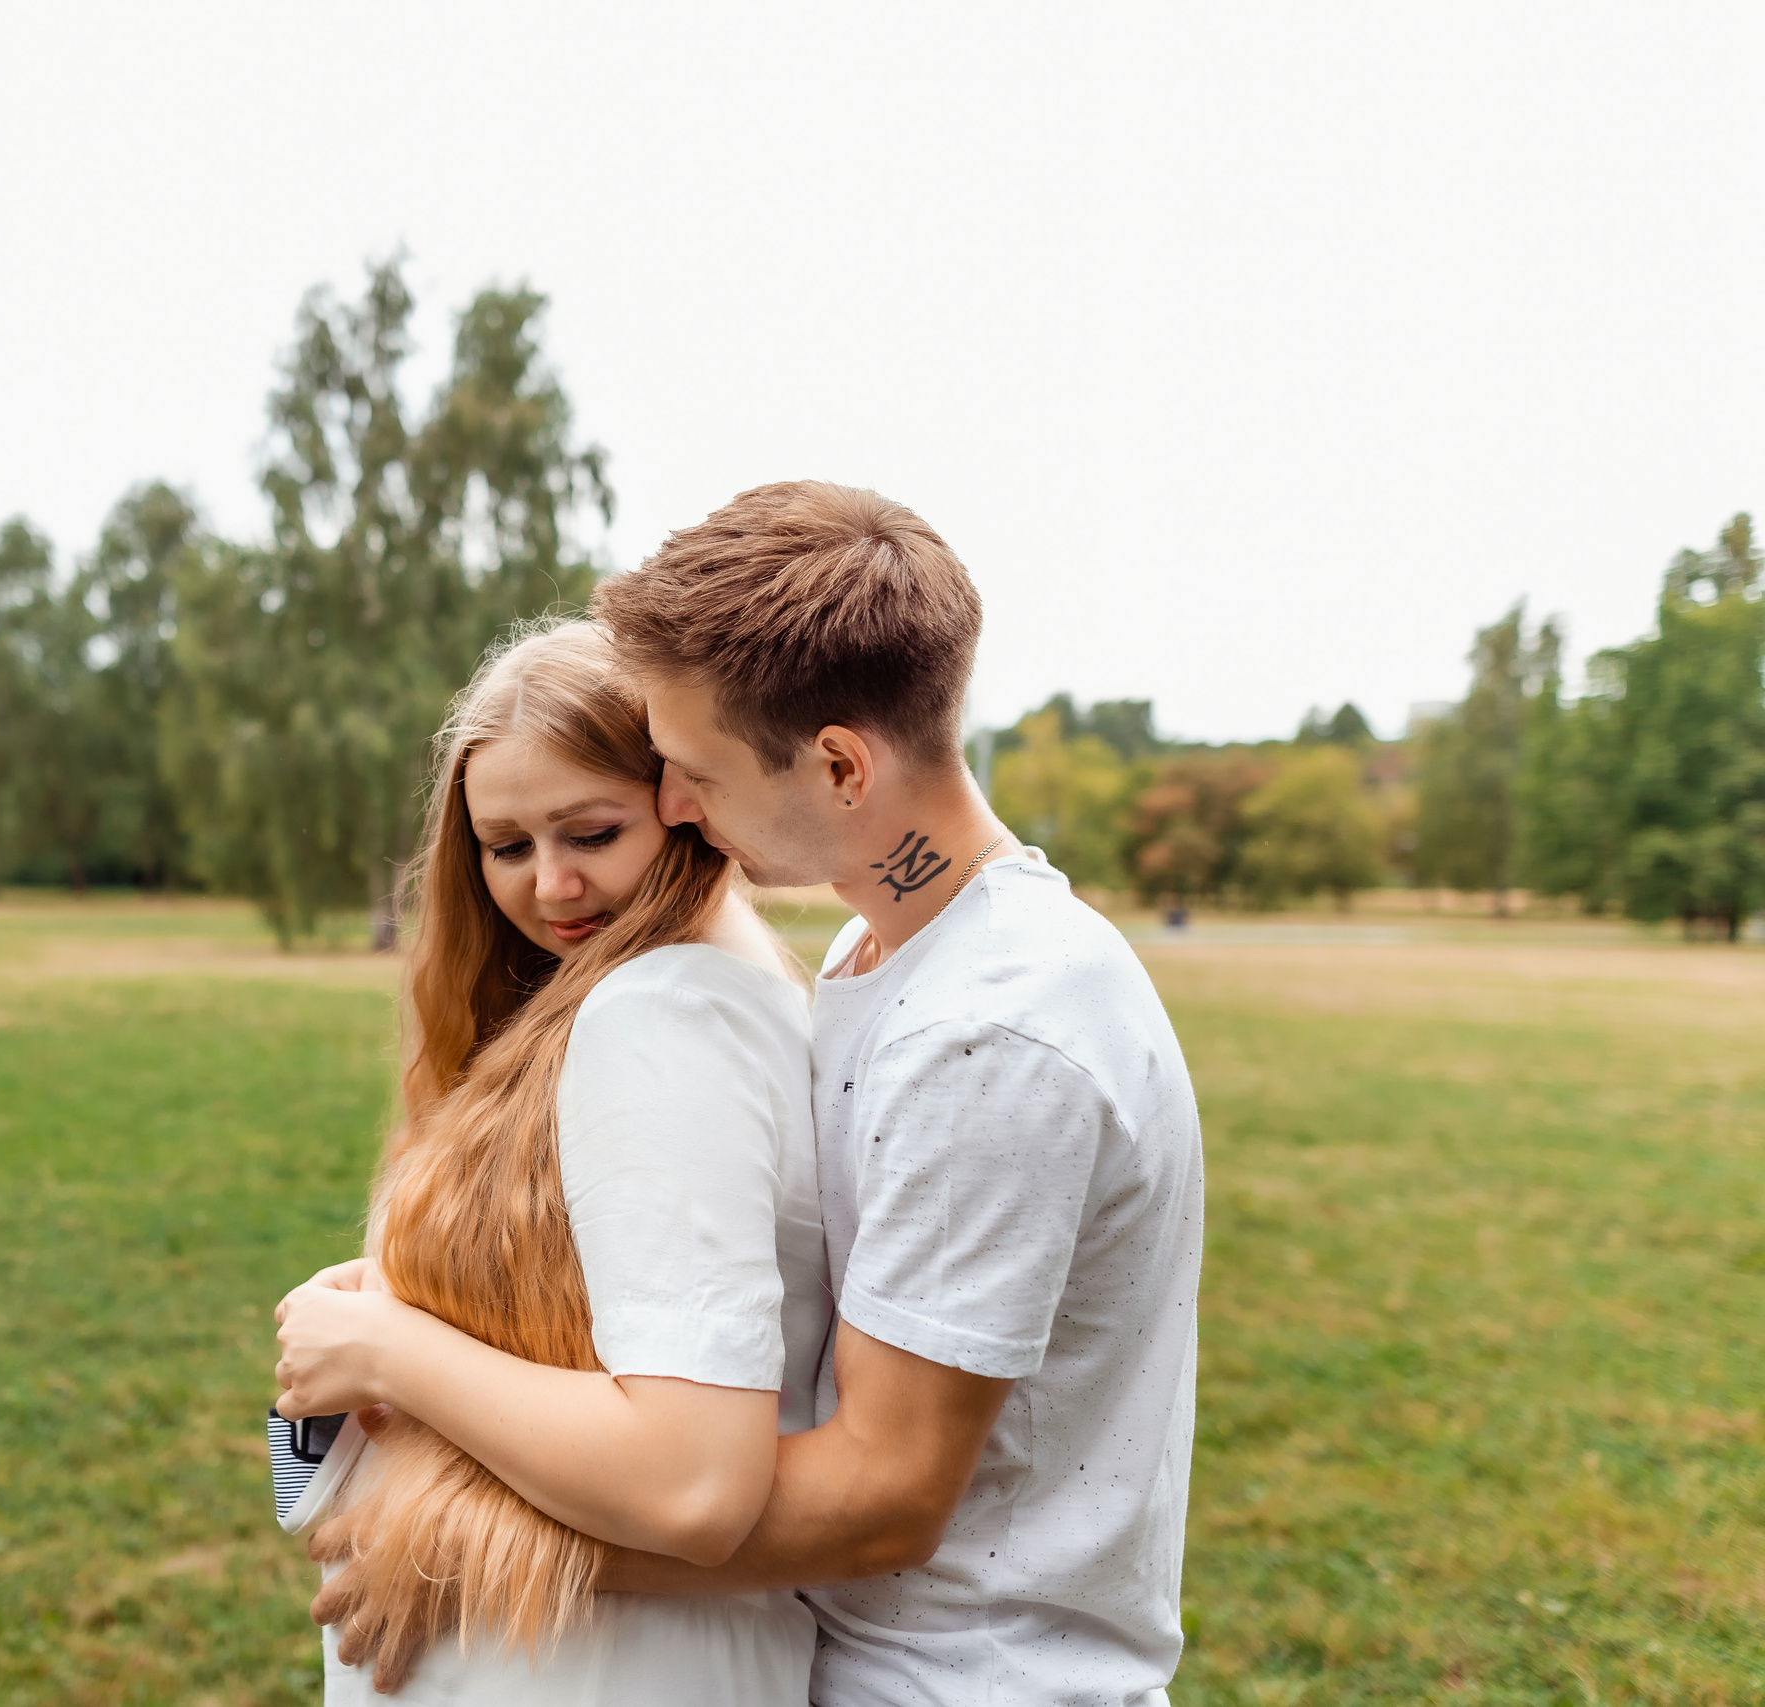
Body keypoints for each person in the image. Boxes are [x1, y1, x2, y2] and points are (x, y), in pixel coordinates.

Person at [297, 482, 1204, 1706]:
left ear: (837, 764)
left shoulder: (990, 1028)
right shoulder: (879, 960)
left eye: (693, 770)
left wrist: (457, 1524)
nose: (675, 807)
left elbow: (875, 1497)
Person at [271, 621, 830, 1704]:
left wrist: (389, 1347)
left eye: (590, 831)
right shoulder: (692, 993)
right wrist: (404, 1290)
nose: (552, 886)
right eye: (508, 847)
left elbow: (691, 1480)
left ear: (680, 801)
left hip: (589, 1665)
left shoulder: (661, 1012)